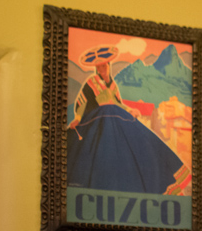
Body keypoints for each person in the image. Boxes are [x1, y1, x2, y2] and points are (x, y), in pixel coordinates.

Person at [67, 45, 190, 195]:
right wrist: (78, 119)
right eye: (99, 67)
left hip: (115, 116)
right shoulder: (91, 83)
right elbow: (82, 103)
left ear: (108, 66)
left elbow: (118, 104)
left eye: (104, 66)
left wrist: (130, 110)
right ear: (96, 69)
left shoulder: (113, 85)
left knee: (140, 140)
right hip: (99, 121)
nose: (102, 69)